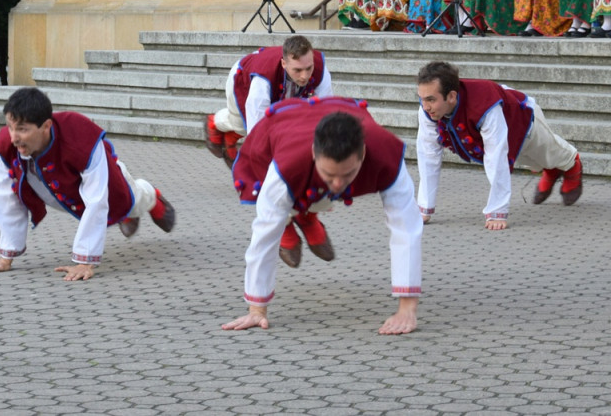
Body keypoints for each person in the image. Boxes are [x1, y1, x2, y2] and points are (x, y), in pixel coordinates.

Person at [220, 97, 422, 335]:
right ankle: (296, 217)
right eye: (329, 174)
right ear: (315, 153)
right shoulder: (285, 167)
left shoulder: (386, 155)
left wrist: (407, 308)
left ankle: (307, 215)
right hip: (279, 127)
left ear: (363, 153)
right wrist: (257, 310)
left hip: (342, 112)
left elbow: (407, 227)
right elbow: (264, 233)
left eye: (347, 174)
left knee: (319, 198)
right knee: (278, 212)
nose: (337, 184)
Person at [0, 87, 175, 281]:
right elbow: (2, 196)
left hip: (105, 181)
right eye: (10, 127)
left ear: (46, 126)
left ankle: (152, 197)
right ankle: (125, 215)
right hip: (57, 192)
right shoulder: (5, 144)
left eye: (22, 129)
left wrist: (85, 261)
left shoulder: (80, 136)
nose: (13, 137)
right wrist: (5, 258)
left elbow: (97, 198)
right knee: (109, 214)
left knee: (130, 199)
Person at [415, 61, 583, 232]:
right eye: (421, 98)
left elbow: (495, 155)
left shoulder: (485, 105)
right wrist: (424, 208)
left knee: (549, 151)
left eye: (431, 99)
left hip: (522, 119)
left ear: (451, 96)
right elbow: (428, 155)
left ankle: (572, 164)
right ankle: (551, 170)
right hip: (501, 128)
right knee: (530, 161)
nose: (425, 106)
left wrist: (497, 211)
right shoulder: (427, 110)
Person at [205, 34, 333, 166]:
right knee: (241, 125)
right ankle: (214, 122)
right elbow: (257, 129)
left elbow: (324, 112)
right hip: (243, 77)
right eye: (298, 70)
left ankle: (231, 135)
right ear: (284, 63)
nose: (305, 76)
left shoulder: (320, 69)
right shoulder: (263, 78)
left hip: (281, 85)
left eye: (308, 68)